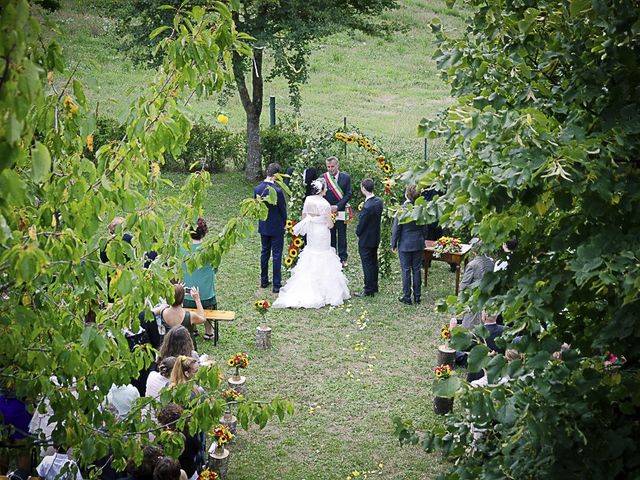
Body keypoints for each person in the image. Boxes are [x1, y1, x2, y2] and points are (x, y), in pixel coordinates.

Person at [272, 178, 350, 308]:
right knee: (324, 255)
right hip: (323, 232)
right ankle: (325, 289)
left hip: (312, 232)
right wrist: (331, 221)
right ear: (323, 189)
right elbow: (329, 225)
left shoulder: (308, 200)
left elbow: (304, 218)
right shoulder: (325, 204)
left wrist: (313, 221)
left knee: (311, 253)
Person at [392, 185, 429, 305]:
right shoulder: (420, 209)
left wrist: (394, 243)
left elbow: (396, 229)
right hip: (418, 243)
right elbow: (425, 227)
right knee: (417, 270)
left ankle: (407, 297)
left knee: (406, 270)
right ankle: (417, 297)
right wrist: (422, 239)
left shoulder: (402, 209)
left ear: (407, 194)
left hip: (405, 244)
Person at [254, 163, 287, 293]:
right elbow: (282, 210)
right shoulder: (277, 191)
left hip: (264, 225)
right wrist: (284, 222)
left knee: (264, 252)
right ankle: (276, 284)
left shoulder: (257, 189)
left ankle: (263, 280)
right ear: (276, 175)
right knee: (277, 255)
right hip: (277, 226)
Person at [181, 218, 216, 341]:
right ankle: (208, 332)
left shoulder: (181, 247)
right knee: (209, 306)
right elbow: (215, 267)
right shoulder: (210, 249)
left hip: (186, 292)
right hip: (206, 292)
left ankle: (193, 329)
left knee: (189, 306)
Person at [354, 179, 384, 297]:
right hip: (375, 237)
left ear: (363, 189)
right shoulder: (378, 201)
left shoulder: (367, 206)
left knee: (367, 264)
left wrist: (358, 232)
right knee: (374, 263)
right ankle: (374, 286)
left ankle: (368, 289)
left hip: (366, 239)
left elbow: (361, 225)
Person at [152, 284, 206, 348]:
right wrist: (197, 299)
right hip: (186, 349)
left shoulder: (163, 311)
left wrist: (175, 291)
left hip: (169, 348)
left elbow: (151, 312)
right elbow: (203, 319)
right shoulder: (190, 316)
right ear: (183, 298)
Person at [323, 157, 352, 267]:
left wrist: (338, 206)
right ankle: (332, 256)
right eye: (328, 167)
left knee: (342, 234)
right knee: (330, 234)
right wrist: (328, 207)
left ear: (337, 166)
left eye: (332, 166)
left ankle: (343, 258)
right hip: (328, 210)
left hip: (341, 210)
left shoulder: (346, 178)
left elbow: (348, 194)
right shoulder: (323, 178)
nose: (330, 169)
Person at [459, 239, 494, 329]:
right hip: (488, 297)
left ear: (473, 251)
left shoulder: (472, 265)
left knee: (469, 324)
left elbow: (464, 285)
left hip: (474, 298)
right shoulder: (491, 262)